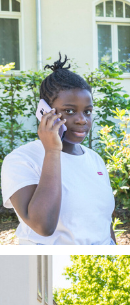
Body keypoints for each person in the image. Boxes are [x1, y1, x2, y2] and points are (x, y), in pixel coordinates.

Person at [1, 54, 115, 244]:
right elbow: (43, 225)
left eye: (87, 111)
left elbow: (103, 224)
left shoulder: (94, 159)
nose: (82, 119)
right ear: (44, 111)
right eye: (69, 111)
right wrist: (52, 151)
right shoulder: (20, 160)